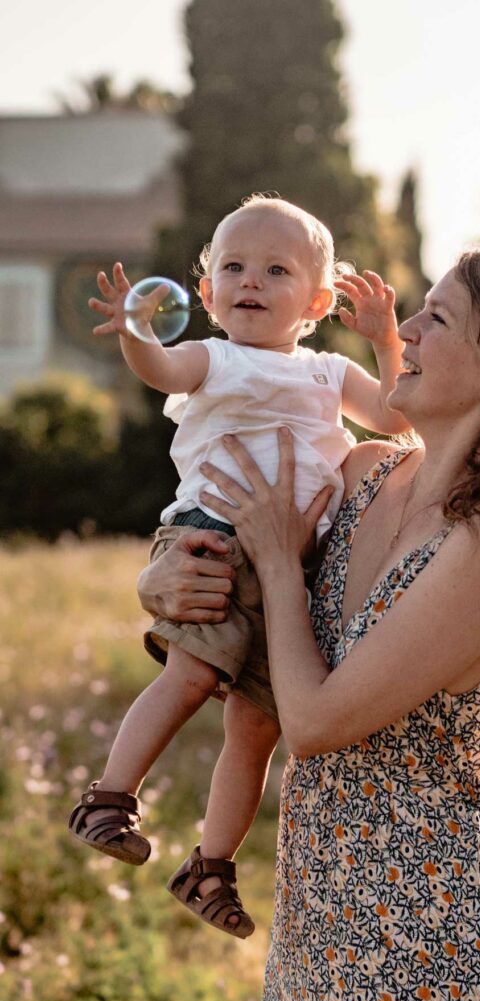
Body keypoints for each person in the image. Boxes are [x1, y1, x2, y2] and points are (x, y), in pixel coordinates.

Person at [137, 244, 480, 1001]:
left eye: (436, 318)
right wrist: (160, 582)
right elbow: (241, 595)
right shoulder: (360, 473)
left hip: (421, 942)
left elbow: (313, 723)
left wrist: (278, 564)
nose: (404, 328)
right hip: (314, 920)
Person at [67, 196, 410, 939]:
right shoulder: (212, 358)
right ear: (209, 292)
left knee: (257, 724)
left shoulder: (329, 371)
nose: (250, 280)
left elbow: (394, 415)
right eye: (233, 267)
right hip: (213, 541)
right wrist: (135, 331)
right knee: (190, 677)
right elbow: (161, 368)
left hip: (292, 564)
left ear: (317, 302)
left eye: (276, 270)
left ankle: (210, 866)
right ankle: (109, 798)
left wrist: (386, 340)